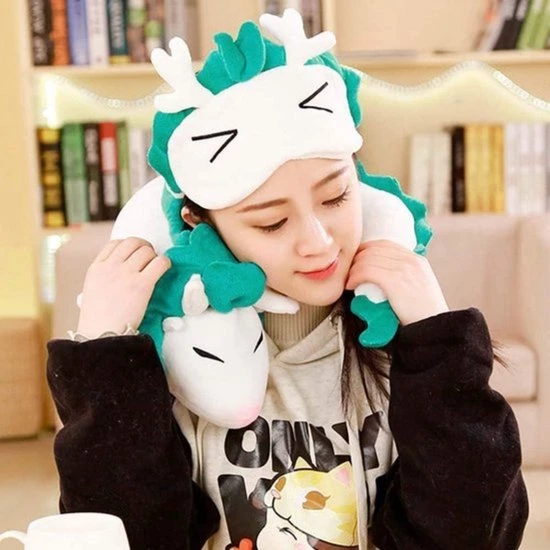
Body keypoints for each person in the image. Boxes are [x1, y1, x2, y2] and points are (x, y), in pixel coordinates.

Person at [46, 10, 528, 550]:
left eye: (336, 196)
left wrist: (437, 338)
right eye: (272, 222)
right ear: (200, 225)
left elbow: (478, 534)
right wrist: (103, 355)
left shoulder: (404, 341)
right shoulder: (178, 353)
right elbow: (128, 536)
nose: (318, 242)